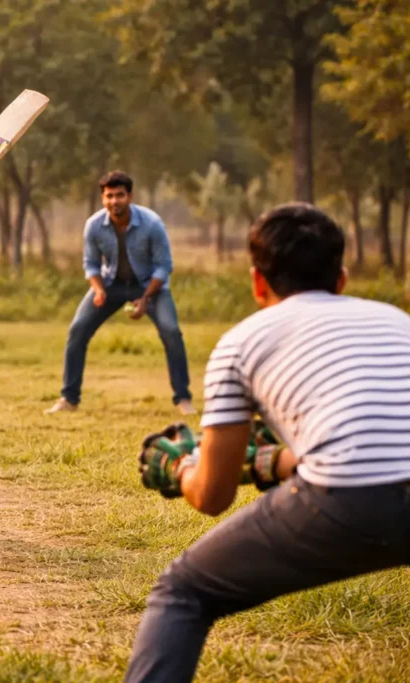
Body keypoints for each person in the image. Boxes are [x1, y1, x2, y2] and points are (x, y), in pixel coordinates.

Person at [125, 203, 410, 682]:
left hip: (348, 500)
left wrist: (182, 469)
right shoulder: (397, 320)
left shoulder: (241, 341)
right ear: (341, 278)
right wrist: (272, 462)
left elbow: (213, 497)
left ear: (258, 282)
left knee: (183, 592)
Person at [45, 171, 195, 416]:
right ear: (103, 199)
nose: (115, 201)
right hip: (109, 285)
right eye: (109, 196)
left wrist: (146, 298)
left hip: (149, 287)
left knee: (171, 331)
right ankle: (68, 398)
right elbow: (91, 264)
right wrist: (98, 289)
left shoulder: (152, 223)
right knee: (77, 330)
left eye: (120, 195)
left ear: (130, 196)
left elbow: (164, 265)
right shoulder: (94, 225)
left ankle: (183, 398)